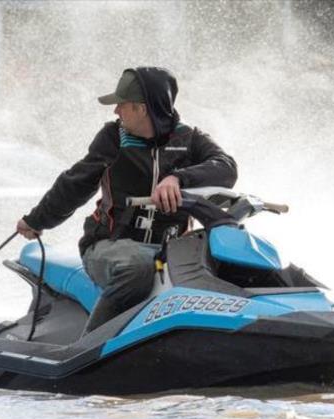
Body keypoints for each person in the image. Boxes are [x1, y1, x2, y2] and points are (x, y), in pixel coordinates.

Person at [15, 67, 238, 331]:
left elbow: (226, 167)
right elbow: (75, 184)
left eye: (121, 104)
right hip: (109, 245)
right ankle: (90, 348)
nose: (116, 111)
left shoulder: (190, 139)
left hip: (171, 252)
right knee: (138, 267)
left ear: (141, 109)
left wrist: (177, 178)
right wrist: (36, 220)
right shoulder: (113, 138)